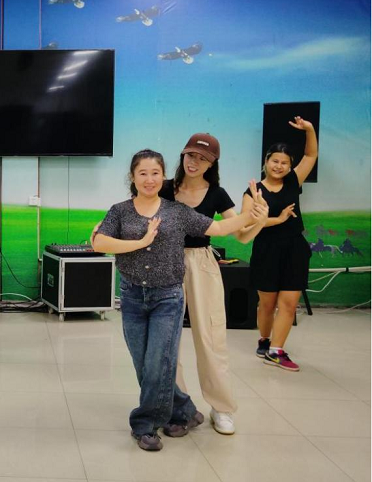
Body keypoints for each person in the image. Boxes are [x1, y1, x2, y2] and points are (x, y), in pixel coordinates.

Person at [91, 149, 266, 451]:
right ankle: (184, 409)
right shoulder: (120, 211)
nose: (149, 179)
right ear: (132, 177)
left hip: (168, 297)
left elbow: (219, 228)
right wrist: (140, 242)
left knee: (158, 361)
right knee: (144, 364)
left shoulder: (177, 211)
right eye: (142, 173)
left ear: (163, 177)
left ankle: (145, 425)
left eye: (155, 173)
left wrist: (252, 216)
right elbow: (98, 242)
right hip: (132, 297)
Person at [159, 133, 268, 435]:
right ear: (183, 155)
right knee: (166, 340)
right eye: (191, 155)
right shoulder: (165, 188)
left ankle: (221, 408)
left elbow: (242, 235)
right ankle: (174, 407)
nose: (194, 162)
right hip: (165, 263)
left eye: (202, 158)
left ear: (212, 163)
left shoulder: (217, 194)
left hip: (201, 264)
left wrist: (259, 219)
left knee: (211, 338)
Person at [244, 116, 318, 372]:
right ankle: (264, 340)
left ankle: (276, 351)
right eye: (275, 161)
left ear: (290, 166)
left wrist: (309, 129)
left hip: (294, 249)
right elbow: (247, 225)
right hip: (266, 250)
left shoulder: (293, 181)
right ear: (266, 162)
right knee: (267, 304)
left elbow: (311, 155)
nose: (279, 166)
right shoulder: (254, 191)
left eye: (285, 162)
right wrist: (278, 219)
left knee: (288, 303)